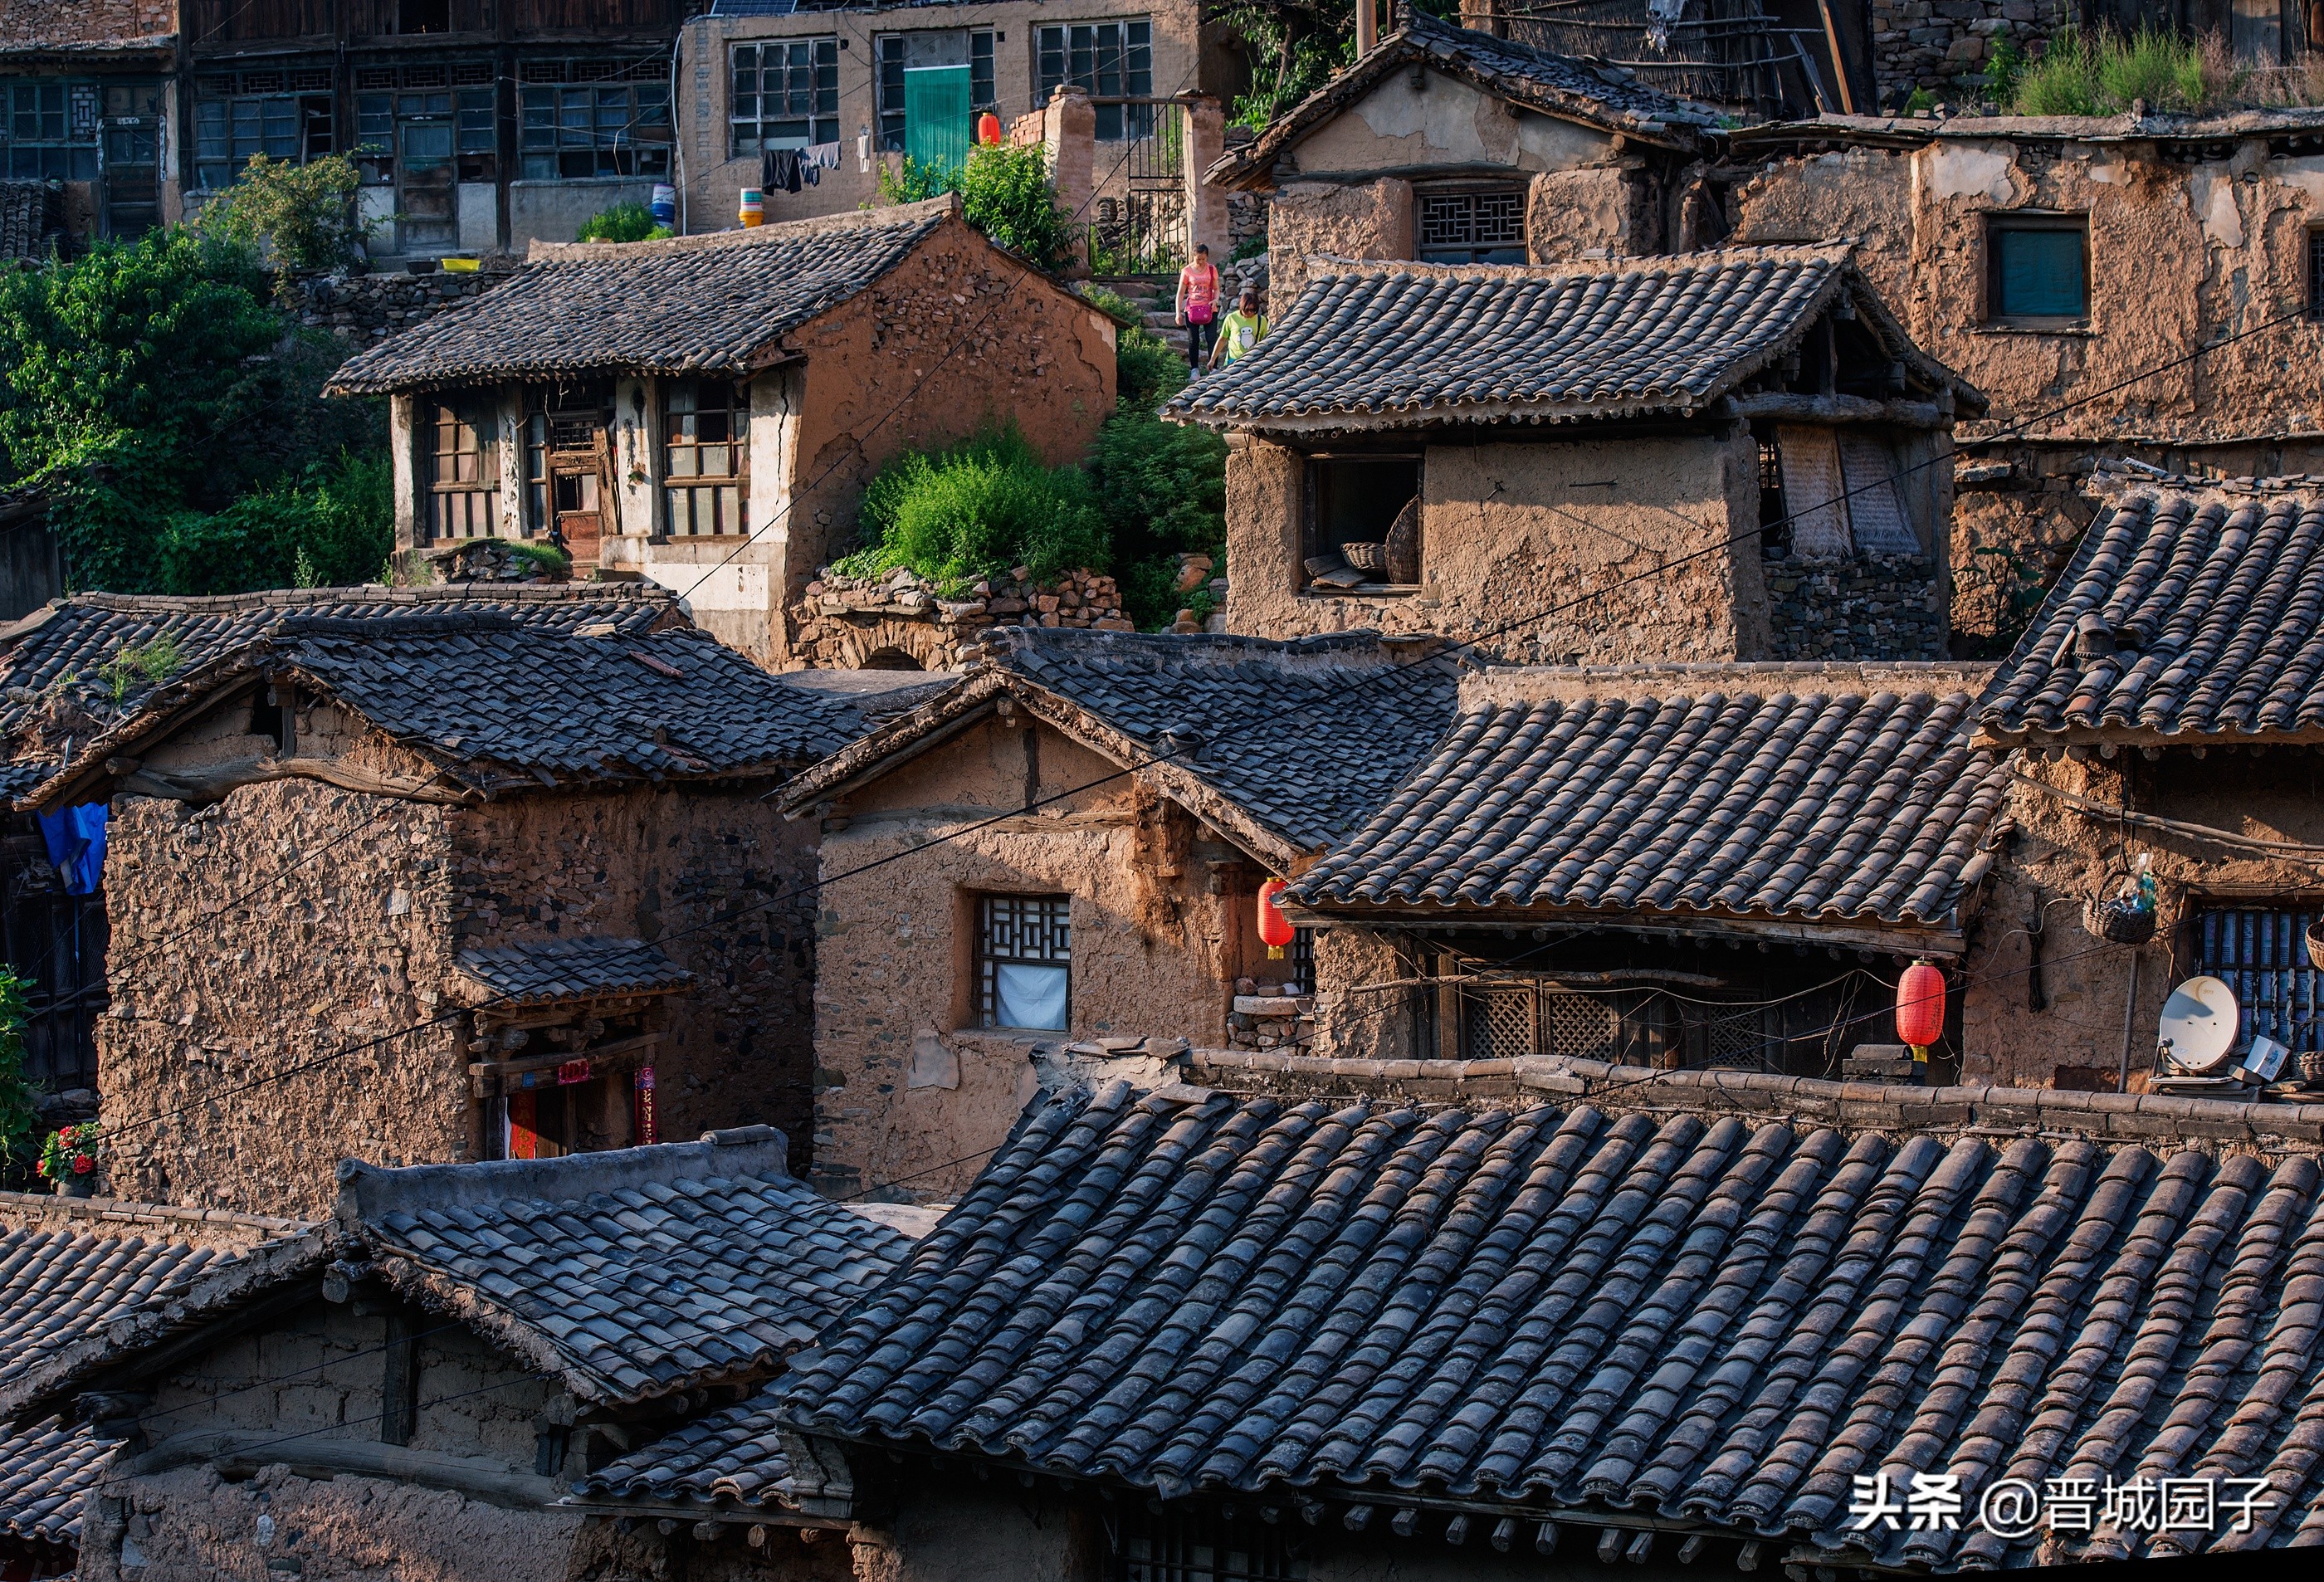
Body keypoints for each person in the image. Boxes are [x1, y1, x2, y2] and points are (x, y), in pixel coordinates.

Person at [1175, 244, 1221, 374]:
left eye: (1203, 259)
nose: (1201, 262)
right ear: (1193, 256)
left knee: (1211, 338)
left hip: (1209, 308)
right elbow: (1180, 293)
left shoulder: (1212, 269)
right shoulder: (1187, 271)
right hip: (1192, 309)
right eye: (1198, 259)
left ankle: (1214, 368)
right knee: (1193, 340)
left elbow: (1216, 288)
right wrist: (1178, 312)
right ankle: (1194, 369)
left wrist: (1215, 300)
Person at [1209, 288, 1267, 370]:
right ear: (1242, 307)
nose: (1250, 313)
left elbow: (1264, 342)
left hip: (1252, 361)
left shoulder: (1261, 320)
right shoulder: (1232, 318)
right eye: (1247, 310)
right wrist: (1212, 359)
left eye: (1253, 310)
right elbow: (1222, 339)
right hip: (1233, 361)